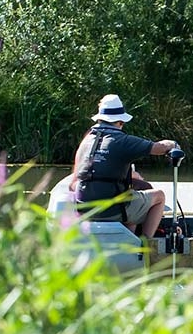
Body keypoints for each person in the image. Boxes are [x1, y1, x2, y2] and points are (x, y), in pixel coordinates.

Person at [69, 94, 179, 238]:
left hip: (84, 209)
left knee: (131, 200)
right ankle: (145, 245)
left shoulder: (86, 141)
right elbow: (158, 148)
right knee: (159, 196)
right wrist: (172, 145)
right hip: (112, 210)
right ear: (120, 121)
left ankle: (126, 240)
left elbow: (74, 182)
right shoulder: (121, 140)